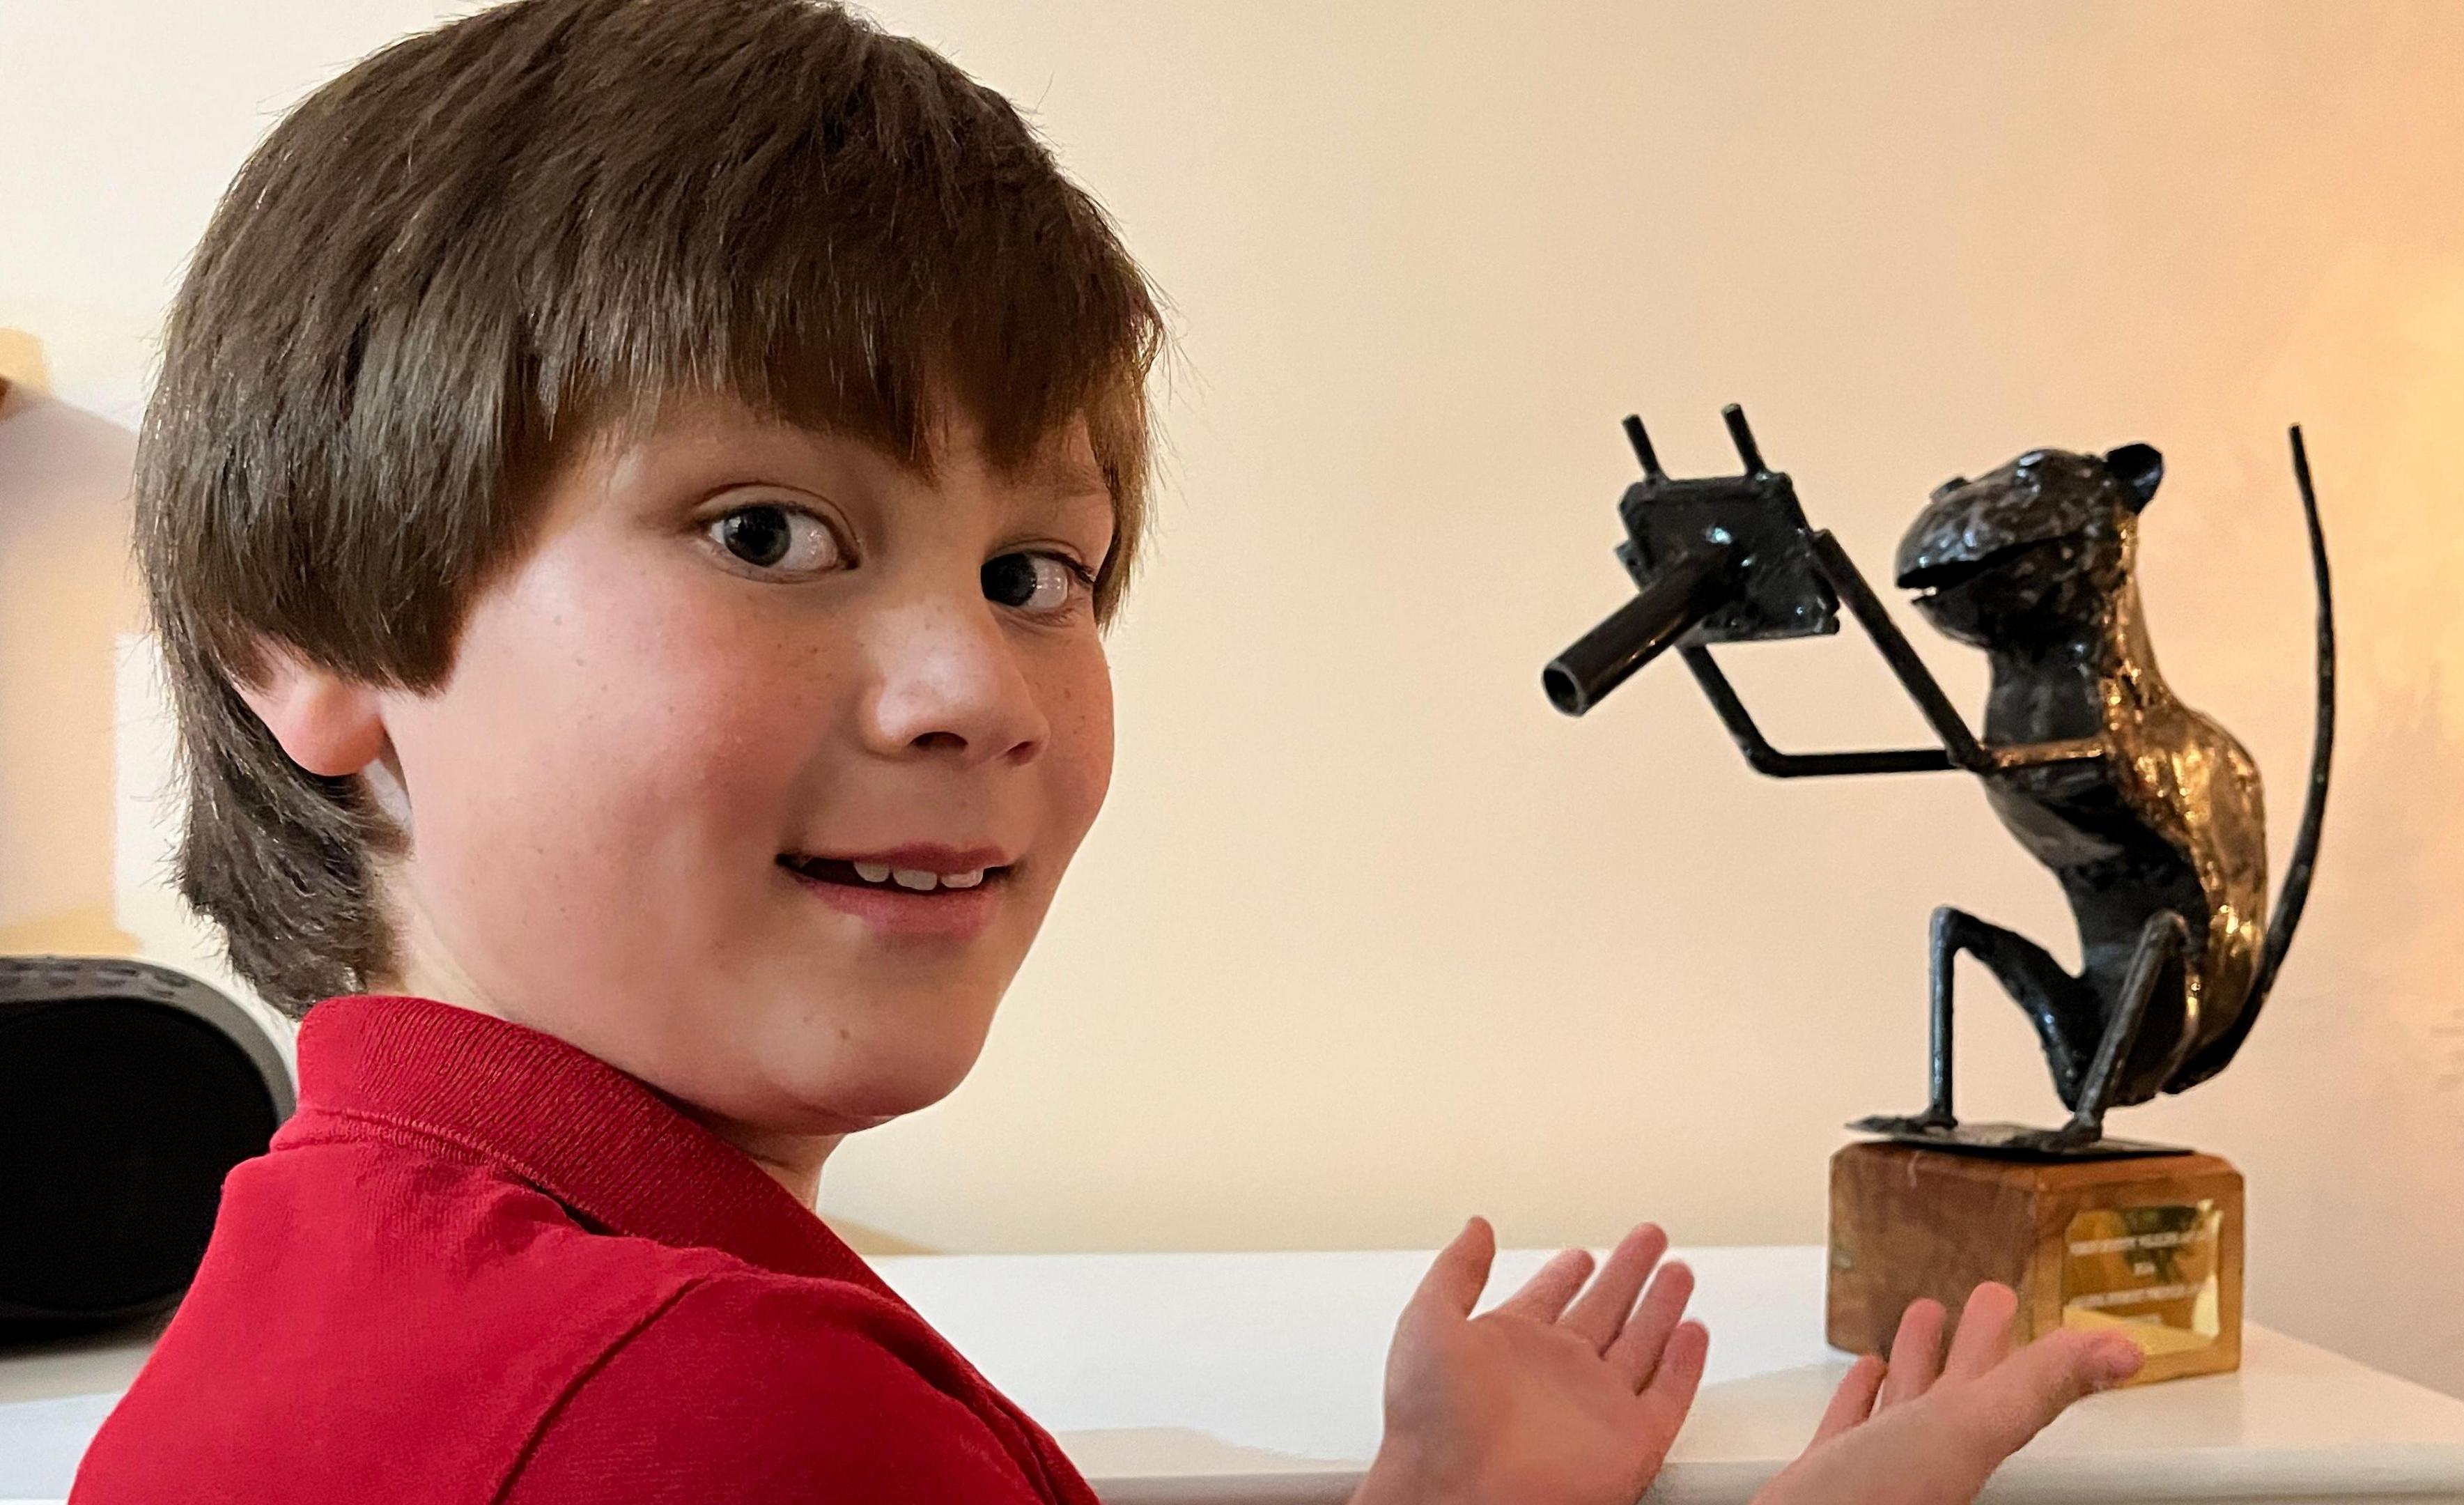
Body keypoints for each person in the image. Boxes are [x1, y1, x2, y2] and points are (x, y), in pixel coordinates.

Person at [71, 0, 2141, 1499]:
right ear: (313, 644)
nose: (975, 687)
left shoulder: (311, 1285)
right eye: (767, 533)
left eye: (1037, 570)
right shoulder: (714, 1410)